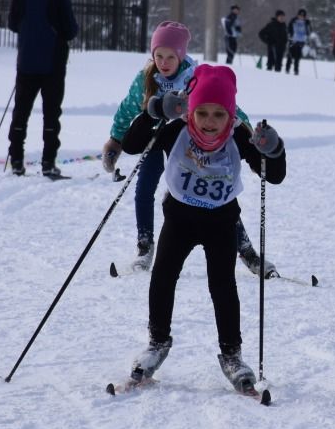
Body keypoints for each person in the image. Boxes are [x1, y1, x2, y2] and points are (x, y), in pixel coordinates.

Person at [119, 64, 287, 391]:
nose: (210, 123)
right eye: (203, 113)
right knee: (163, 277)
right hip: (179, 219)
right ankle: (157, 343)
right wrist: (154, 111)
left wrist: (273, 149)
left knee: (222, 286)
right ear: (191, 111)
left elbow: (274, 174)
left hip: (221, 222)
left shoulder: (240, 134)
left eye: (219, 115)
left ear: (230, 115)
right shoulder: (175, 128)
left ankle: (232, 354)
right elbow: (132, 144)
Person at [101, 21, 277, 276]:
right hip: (155, 140)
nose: (163, 61)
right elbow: (128, 107)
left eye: (170, 56)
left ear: (181, 55)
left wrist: (247, 130)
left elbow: (226, 105)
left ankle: (246, 250)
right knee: (144, 189)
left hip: (188, 146)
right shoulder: (146, 77)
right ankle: (144, 246)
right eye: (158, 55)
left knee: (214, 195)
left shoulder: (194, 77)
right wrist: (116, 141)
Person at [7, 0, 79, 178]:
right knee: (51, 115)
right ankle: (48, 162)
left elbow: (12, 24)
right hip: (53, 66)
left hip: (26, 62)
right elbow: (71, 31)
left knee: (21, 113)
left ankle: (16, 160)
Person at [285, 9, 311, 75]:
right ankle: (287, 70)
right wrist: (289, 36)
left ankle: (296, 71)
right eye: (300, 15)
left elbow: (309, 31)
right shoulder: (293, 21)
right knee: (290, 56)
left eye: (303, 15)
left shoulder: (306, 22)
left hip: (301, 41)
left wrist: (308, 26)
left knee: (297, 57)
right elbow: (289, 29)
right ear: (298, 15)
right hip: (293, 41)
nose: (301, 16)